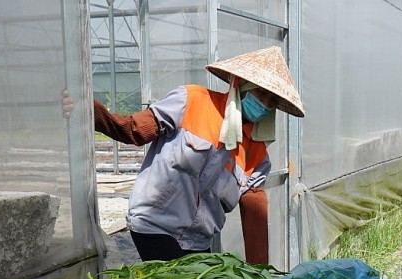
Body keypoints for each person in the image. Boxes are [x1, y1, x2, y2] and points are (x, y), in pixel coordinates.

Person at [63, 46, 304, 264]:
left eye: (272, 101)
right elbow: (133, 130)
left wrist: (259, 278)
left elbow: (255, 217)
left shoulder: (257, 155)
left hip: (198, 240)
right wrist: (86, 109)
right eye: (262, 94)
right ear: (241, 84)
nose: (265, 104)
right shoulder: (192, 102)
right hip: (155, 225)